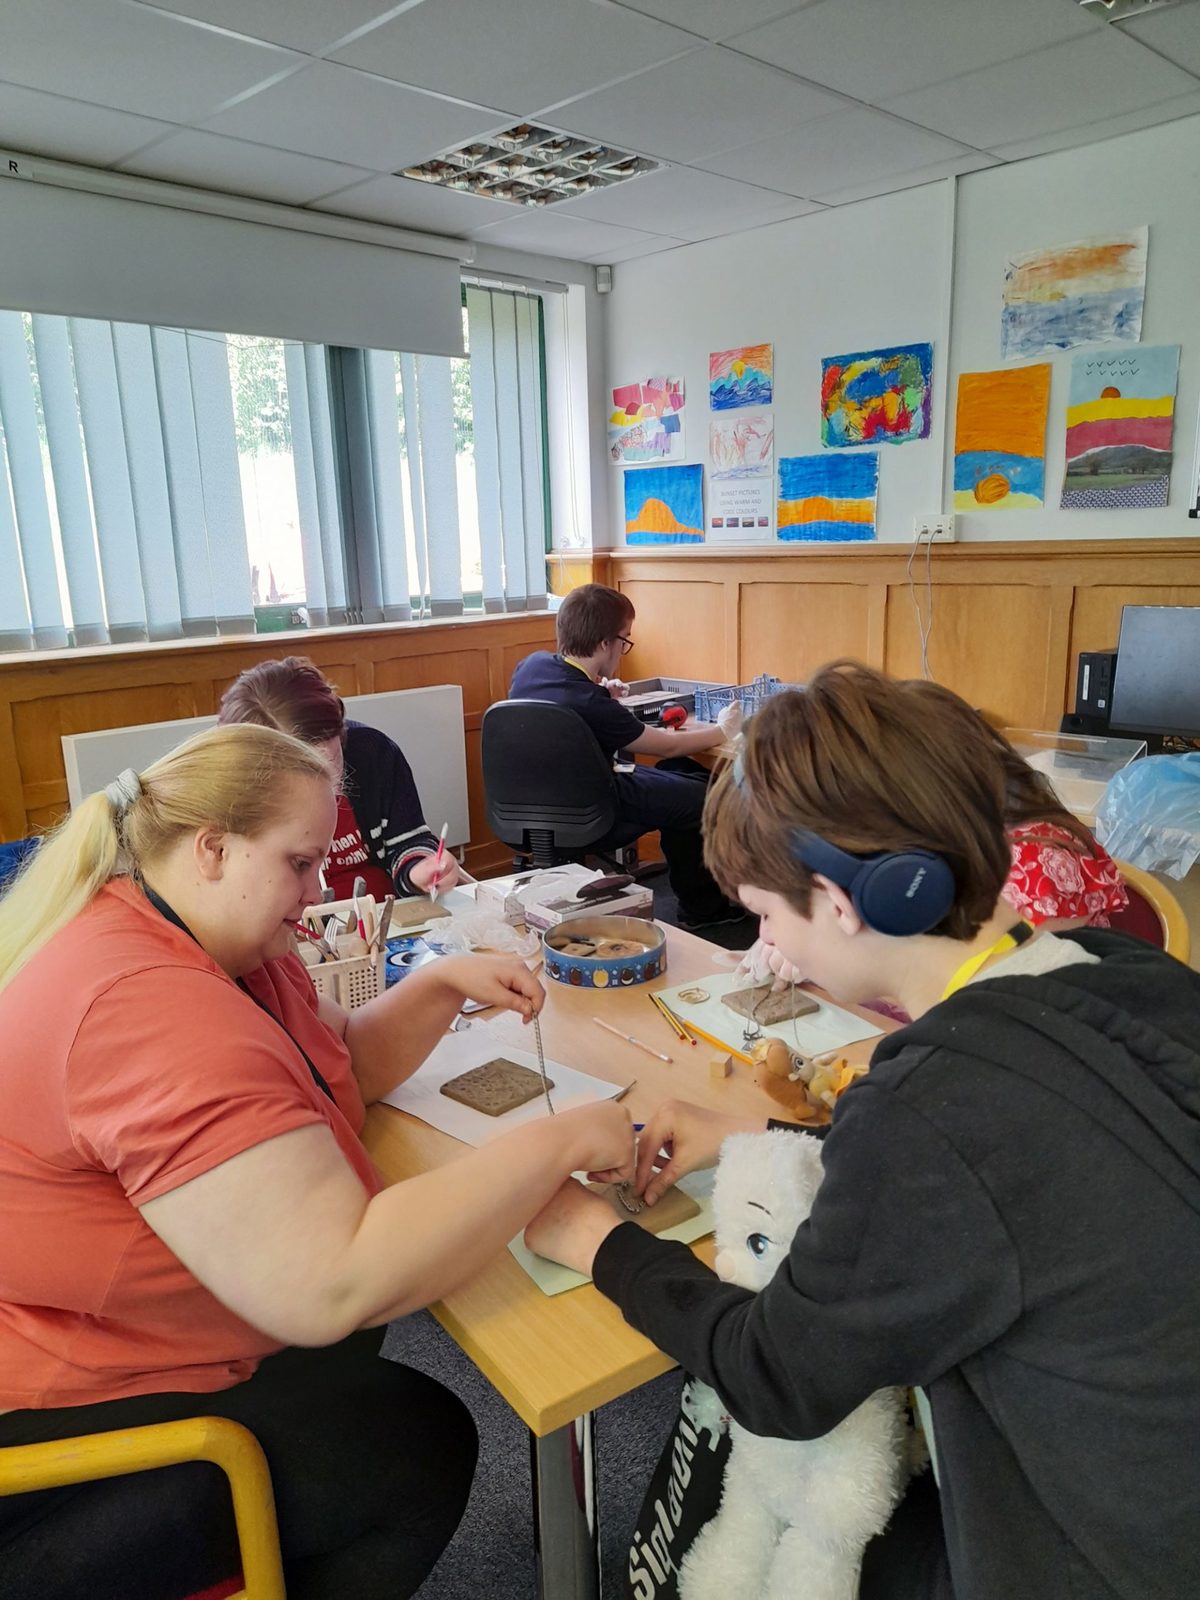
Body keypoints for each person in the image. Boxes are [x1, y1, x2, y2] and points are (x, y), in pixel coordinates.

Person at [524, 661, 1200, 1600]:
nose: (772, 948)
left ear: (841, 901)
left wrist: (605, 1244)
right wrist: (772, 1130)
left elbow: (778, 1376)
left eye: (765, 915)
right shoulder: (1122, 970)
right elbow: (1020, 1176)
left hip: (1095, 1551)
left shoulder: (932, 1108)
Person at [0, 723, 633, 1600]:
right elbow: (330, 1280)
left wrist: (440, 984)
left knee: (377, 1356)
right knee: (415, 1447)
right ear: (213, 849)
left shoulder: (211, 936)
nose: (321, 889)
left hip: (148, 1342)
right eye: (300, 864)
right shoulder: (142, 1005)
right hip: (59, 1429)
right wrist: (562, 1138)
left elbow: (341, 1069)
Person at [735, 701, 1130, 994]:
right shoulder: (947, 839)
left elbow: (965, 988)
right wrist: (805, 926)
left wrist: (821, 947)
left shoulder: (1035, 860)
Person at [509, 584, 744, 930]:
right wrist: (724, 729)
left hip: (531, 804)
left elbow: (561, 702)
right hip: (597, 804)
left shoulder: (532, 667)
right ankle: (703, 910)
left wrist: (600, 688)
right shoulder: (593, 704)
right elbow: (667, 745)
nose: (624, 649)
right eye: (624, 640)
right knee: (704, 797)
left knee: (681, 773)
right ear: (606, 643)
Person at [218, 656, 458, 902]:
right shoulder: (230, 789)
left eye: (333, 767)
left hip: (384, 915)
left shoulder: (373, 753)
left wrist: (419, 871)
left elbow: (408, 839)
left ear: (338, 730)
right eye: (308, 774)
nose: (328, 790)